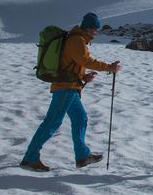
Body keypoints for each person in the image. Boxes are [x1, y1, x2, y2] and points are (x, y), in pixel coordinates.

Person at [20, 13, 120, 172]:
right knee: (52, 122)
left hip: (71, 87)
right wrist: (109, 67)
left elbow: (73, 64)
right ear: (89, 28)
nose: (96, 33)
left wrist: (84, 76)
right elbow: (85, 61)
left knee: (80, 118)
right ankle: (30, 157)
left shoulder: (78, 40)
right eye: (95, 30)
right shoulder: (76, 40)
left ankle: (82, 156)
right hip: (65, 88)